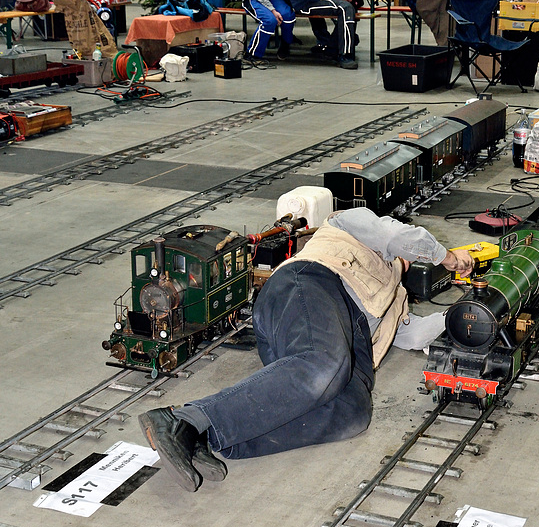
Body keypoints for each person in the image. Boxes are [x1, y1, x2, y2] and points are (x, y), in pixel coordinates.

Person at [138, 208, 474, 492]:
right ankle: (182, 418)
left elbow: (412, 335)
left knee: (353, 413)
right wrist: (449, 258)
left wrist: (467, 313)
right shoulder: (350, 223)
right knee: (324, 364)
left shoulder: (395, 293)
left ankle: (206, 435)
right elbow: (400, 237)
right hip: (308, 286)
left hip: (342, 336)